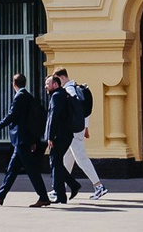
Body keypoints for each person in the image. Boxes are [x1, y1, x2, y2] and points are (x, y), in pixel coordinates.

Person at [0, 71, 51, 205]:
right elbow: (31, 121)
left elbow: (12, 116)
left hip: (22, 140)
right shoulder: (28, 96)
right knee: (12, 169)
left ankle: (44, 197)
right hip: (24, 140)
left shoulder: (20, 97)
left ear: (13, 84)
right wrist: (34, 140)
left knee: (32, 170)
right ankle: (1, 195)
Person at [53, 70, 105, 201]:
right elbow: (84, 110)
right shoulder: (75, 87)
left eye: (56, 79)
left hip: (72, 130)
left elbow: (78, 109)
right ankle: (59, 188)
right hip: (77, 128)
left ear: (61, 77)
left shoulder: (69, 90)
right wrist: (85, 126)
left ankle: (99, 186)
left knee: (81, 158)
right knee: (68, 158)